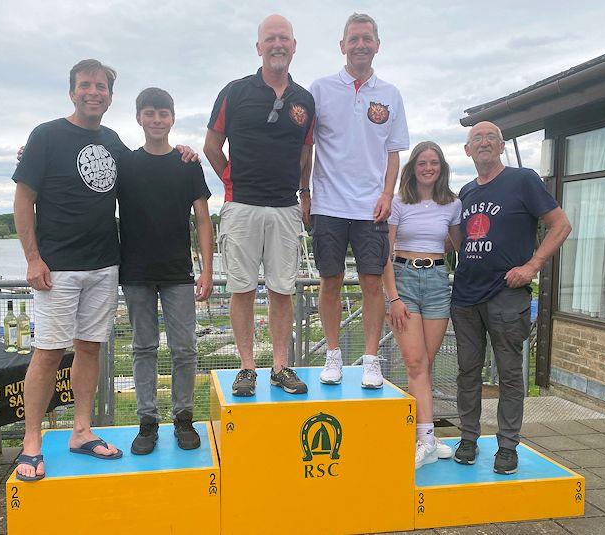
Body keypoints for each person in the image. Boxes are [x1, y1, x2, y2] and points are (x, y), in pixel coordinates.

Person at [13, 59, 129, 481]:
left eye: (101, 86)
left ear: (110, 97)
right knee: (47, 353)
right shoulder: (45, 135)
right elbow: (24, 200)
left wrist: (184, 152)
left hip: (103, 264)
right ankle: (31, 442)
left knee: (90, 348)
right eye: (86, 85)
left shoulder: (114, 141)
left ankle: (81, 431)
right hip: (56, 268)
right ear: (72, 91)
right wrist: (32, 258)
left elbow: (146, 172)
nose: (93, 92)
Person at [203, 14, 315, 397]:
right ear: (259, 47)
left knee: (283, 290)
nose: (277, 45)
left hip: (285, 209)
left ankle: (281, 366)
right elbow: (211, 147)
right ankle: (247, 366)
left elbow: (306, 152)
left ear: (294, 46)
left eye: (284, 38)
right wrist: (233, 182)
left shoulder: (305, 100)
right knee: (242, 289)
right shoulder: (234, 92)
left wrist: (303, 192)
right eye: (271, 39)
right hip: (241, 207)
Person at [451, 121, 571, 474]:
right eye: (477, 138)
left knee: (509, 374)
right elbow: (461, 241)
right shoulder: (466, 192)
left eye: (491, 137)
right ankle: (469, 439)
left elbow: (560, 224)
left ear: (501, 146)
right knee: (467, 372)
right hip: (466, 297)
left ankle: (507, 446)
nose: (484, 142)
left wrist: (533, 264)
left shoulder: (523, 180)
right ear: (467, 151)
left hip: (507, 294)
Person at [305, 13, 409, 388]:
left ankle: (370, 359)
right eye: (354, 39)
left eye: (367, 38)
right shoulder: (320, 89)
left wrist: (386, 194)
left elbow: (395, 152)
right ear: (342, 45)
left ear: (377, 45)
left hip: (371, 207)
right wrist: (305, 192)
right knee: (329, 281)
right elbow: (307, 145)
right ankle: (332, 355)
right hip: (328, 203)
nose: (360, 45)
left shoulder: (390, 94)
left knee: (371, 283)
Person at [119, 88, 213, 454]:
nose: (156, 120)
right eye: (149, 113)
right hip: (136, 272)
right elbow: (85, 188)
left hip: (178, 271)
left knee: (185, 349)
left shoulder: (187, 163)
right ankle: (147, 422)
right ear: (139, 118)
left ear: (172, 118)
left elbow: (203, 220)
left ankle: (184, 418)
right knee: (143, 347)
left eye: (163, 113)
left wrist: (206, 270)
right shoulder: (125, 163)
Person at [382, 141, 462, 468]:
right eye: (422, 163)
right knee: (414, 363)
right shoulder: (399, 202)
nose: (428, 168)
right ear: (412, 167)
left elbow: (459, 245)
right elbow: (384, 254)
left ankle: (423, 435)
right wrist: (393, 298)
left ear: (441, 168)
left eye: (434, 163)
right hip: (403, 278)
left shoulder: (453, 204)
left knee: (425, 365)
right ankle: (426, 440)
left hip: (438, 281)